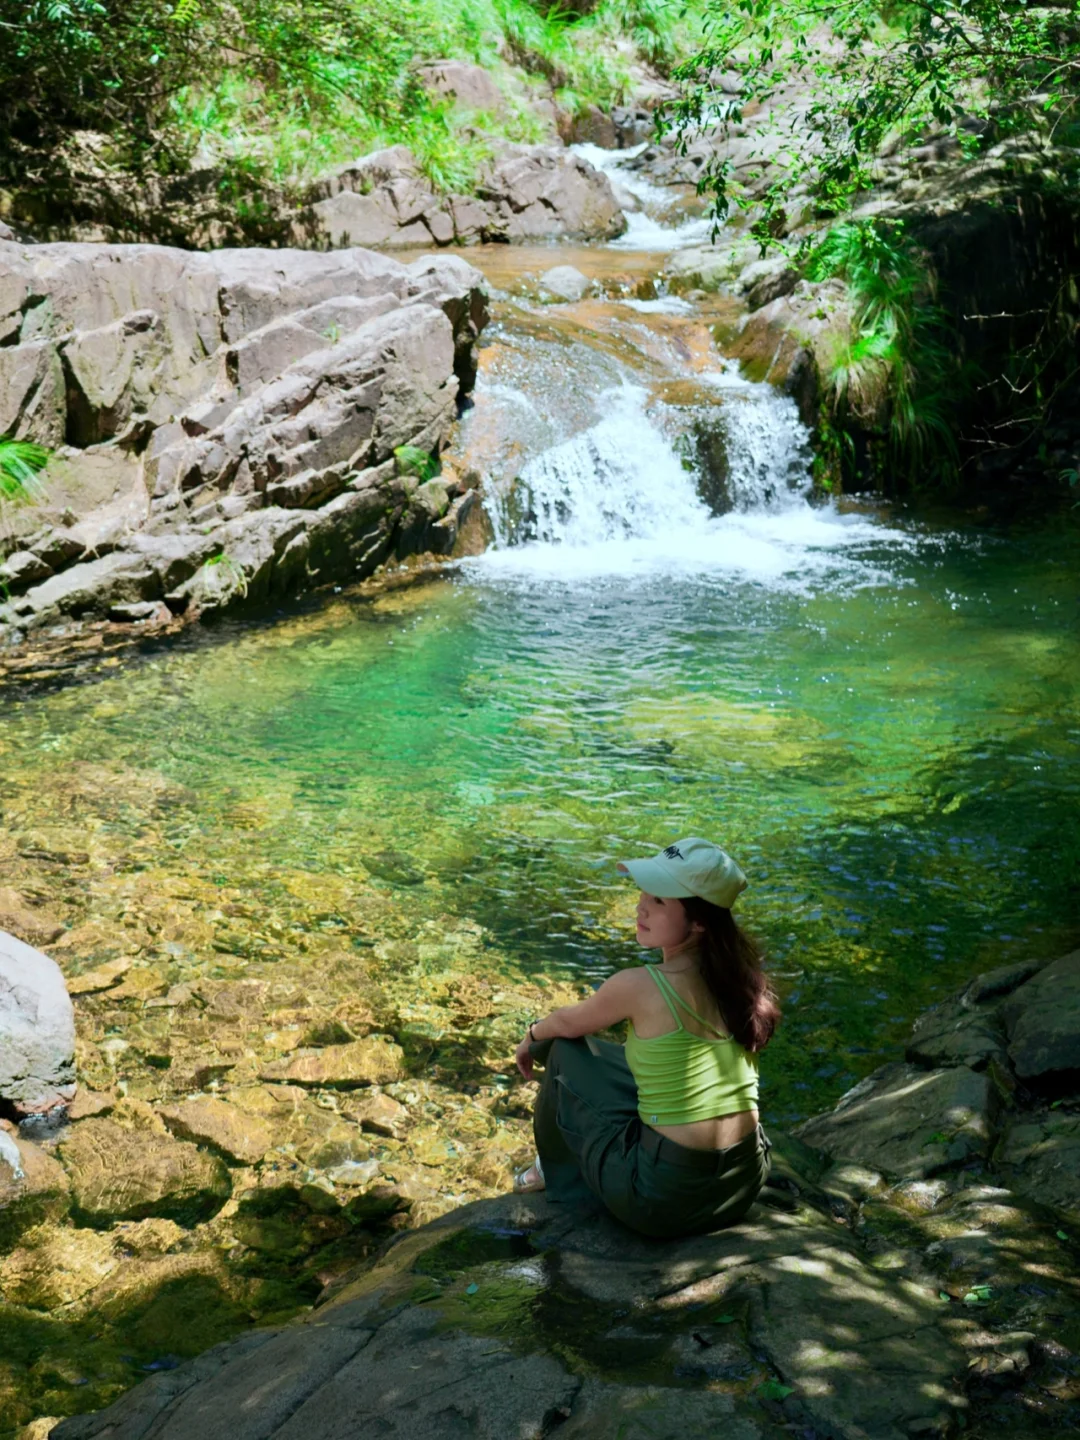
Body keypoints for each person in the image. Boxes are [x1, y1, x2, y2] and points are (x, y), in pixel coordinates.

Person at [512, 837, 780, 1239]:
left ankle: (552, 1171)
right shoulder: (741, 979)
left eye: (659, 900)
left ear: (700, 921)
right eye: (644, 893)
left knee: (562, 1048)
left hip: (662, 1201)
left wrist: (532, 1035)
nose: (641, 906)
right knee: (623, 1058)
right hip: (743, 1185)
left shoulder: (641, 985)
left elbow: (567, 1024)